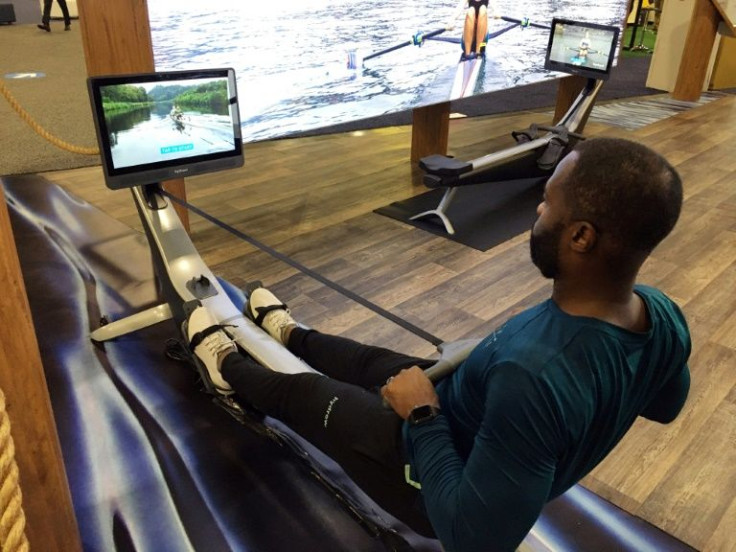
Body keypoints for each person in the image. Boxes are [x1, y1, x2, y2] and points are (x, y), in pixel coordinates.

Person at [185, 137, 691, 552]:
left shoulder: (532, 375)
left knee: (302, 395)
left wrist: (423, 416)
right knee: (368, 360)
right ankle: (291, 333)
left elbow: (473, 538)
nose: (538, 209)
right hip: (471, 404)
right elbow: (666, 405)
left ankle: (224, 366)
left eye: (548, 203)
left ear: (580, 237)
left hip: (422, 471)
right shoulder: (661, 312)